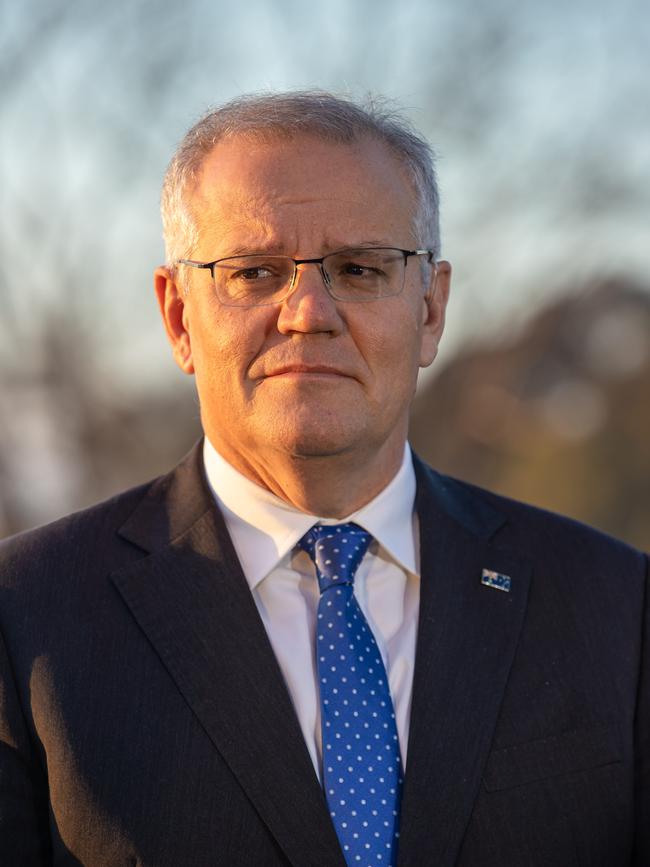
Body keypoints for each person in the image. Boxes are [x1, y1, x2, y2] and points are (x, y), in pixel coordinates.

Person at [0, 91, 647, 867]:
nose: (308, 311)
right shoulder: (22, 620)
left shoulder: (618, 605)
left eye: (360, 268)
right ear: (178, 317)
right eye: (254, 272)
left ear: (431, 310)